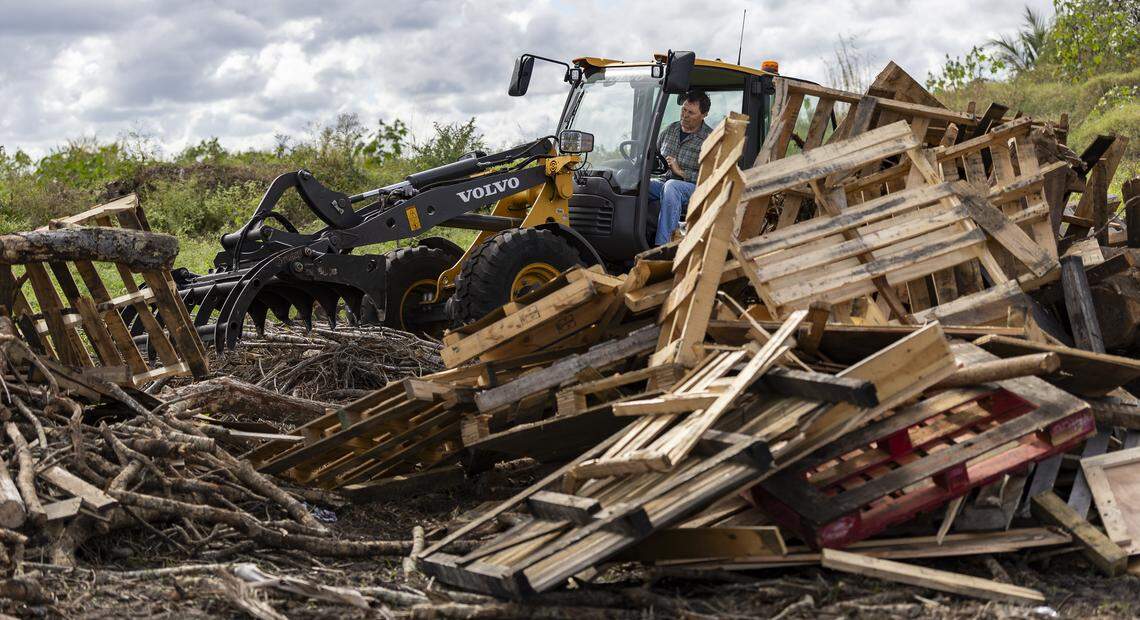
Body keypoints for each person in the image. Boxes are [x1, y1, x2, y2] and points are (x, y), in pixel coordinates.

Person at [648, 90, 712, 245]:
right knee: (640, 184)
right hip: (664, 182)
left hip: (697, 189)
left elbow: (712, 177)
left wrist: (681, 172)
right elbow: (653, 156)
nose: (685, 115)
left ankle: (664, 246)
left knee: (672, 187)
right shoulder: (670, 130)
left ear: (704, 115)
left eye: (691, 112)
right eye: (684, 109)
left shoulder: (710, 139)